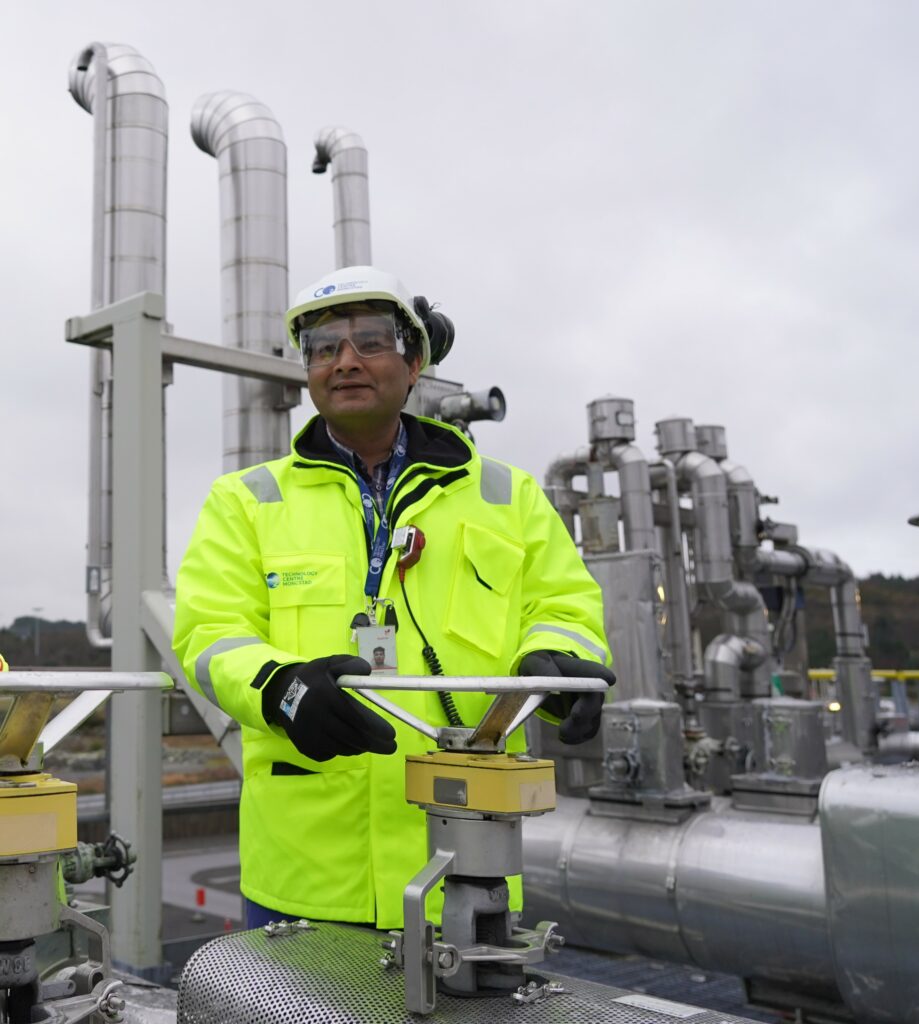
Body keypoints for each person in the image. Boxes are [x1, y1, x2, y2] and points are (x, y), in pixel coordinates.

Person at [172, 266, 614, 929]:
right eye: (325, 347)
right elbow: (208, 635)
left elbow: (564, 606)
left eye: (371, 341)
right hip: (306, 876)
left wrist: (560, 656)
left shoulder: (506, 495)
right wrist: (283, 690)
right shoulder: (248, 501)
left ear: (415, 364)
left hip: (469, 859)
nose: (345, 361)